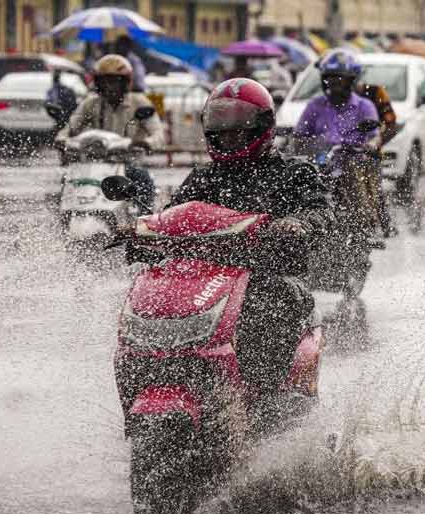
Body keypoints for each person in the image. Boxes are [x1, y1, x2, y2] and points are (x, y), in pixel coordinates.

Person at [160, 78, 333, 422]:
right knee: (158, 301)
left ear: (262, 128)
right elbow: (172, 218)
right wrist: (139, 230)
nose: (226, 137)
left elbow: (321, 211)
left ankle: (266, 401)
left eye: (236, 130)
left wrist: (298, 224)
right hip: (206, 283)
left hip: (273, 276)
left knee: (264, 304)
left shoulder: (294, 173)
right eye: (220, 128)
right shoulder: (202, 178)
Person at [294, 49, 381, 301]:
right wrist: (305, 146)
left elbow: (374, 136)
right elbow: (299, 138)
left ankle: (365, 224)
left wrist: (368, 145)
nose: (334, 84)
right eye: (330, 78)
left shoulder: (365, 106)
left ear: (351, 81)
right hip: (321, 166)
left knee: (355, 174)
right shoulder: (314, 106)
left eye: (340, 79)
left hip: (353, 166)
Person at [69, 54, 164, 208]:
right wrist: (62, 139)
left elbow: (159, 134)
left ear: (125, 82)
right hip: (95, 163)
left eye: (115, 81)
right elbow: (71, 126)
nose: (110, 86)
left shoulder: (139, 102)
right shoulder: (90, 103)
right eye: (105, 81)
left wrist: (145, 143)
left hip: (127, 163)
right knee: (68, 179)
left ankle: (143, 220)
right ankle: (65, 218)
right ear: (98, 83)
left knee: (142, 178)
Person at [356, 80, 401, 236]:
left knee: (374, 190)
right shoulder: (327, 100)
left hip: (368, 154)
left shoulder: (374, 93)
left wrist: (376, 143)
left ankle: (384, 223)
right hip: (336, 153)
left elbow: (391, 124)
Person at [46, 68, 78, 132]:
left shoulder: (62, 89)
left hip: (64, 115)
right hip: (61, 116)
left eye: (56, 76)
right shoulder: (53, 90)